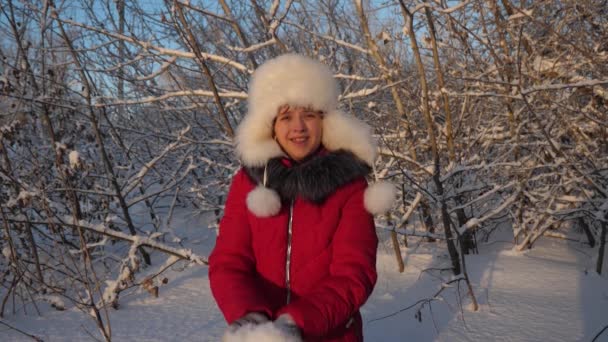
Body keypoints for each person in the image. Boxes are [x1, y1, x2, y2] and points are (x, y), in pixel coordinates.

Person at [209, 54, 395, 342]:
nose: (298, 127)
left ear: (324, 121)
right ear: (269, 125)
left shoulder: (349, 185)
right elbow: (229, 262)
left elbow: (354, 274)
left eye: (308, 114)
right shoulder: (249, 182)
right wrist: (250, 318)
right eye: (285, 117)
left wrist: (295, 323)